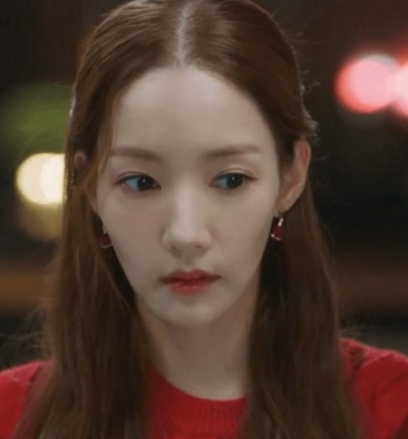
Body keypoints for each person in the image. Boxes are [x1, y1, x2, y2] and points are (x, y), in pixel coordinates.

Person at [1, 0, 408, 438]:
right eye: (140, 182)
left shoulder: (391, 409)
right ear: (89, 186)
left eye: (231, 180)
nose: (186, 234)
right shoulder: (14, 416)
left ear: (290, 177)